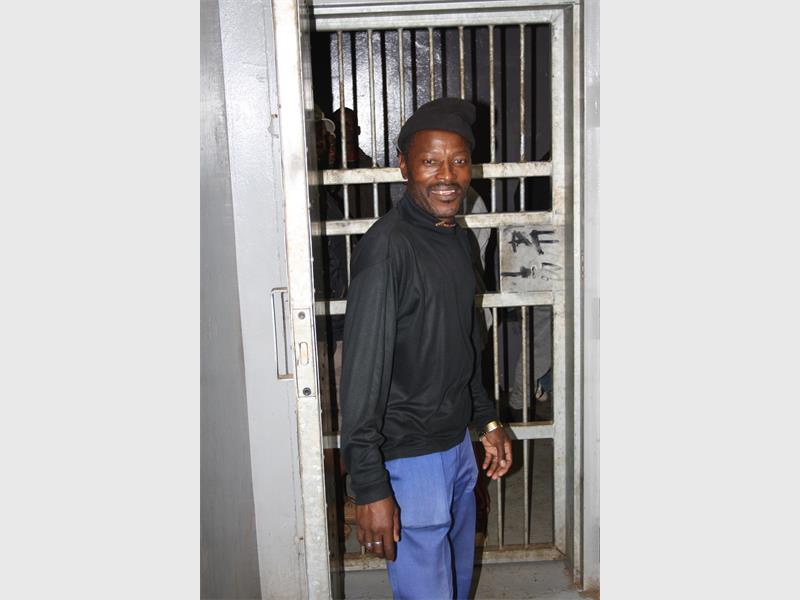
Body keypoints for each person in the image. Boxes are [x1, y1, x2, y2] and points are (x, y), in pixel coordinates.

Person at [340, 97, 513, 599]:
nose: (447, 176)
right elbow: (362, 377)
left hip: (456, 446)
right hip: (409, 457)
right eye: (430, 161)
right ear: (403, 165)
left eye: (458, 161)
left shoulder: (456, 238)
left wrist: (486, 420)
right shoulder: (387, 250)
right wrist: (369, 485)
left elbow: (464, 342)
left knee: (454, 582)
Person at [331, 106, 392, 219]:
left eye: (349, 124)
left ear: (358, 130)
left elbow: (385, 210)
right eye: (340, 125)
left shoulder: (372, 167)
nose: (344, 129)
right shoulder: (329, 168)